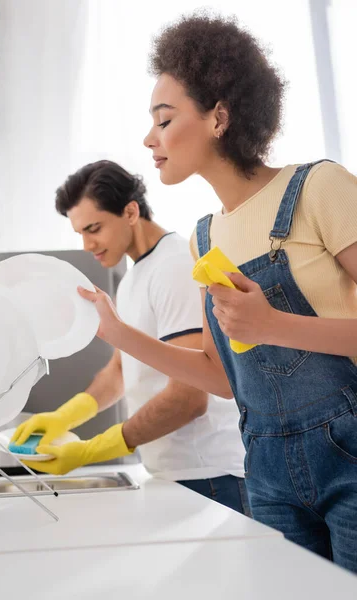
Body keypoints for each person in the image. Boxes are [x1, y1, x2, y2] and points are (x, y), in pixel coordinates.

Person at [76, 14, 357, 572]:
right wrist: (117, 333)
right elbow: (221, 376)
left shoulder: (319, 188)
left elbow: (264, 333)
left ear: (219, 117)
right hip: (268, 473)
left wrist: (273, 325)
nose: (148, 139)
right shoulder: (206, 236)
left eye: (164, 118)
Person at [13, 160, 248, 513]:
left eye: (94, 228)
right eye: (79, 232)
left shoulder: (173, 267)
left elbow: (190, 396)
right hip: (175, 472)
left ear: (131, 211)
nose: (87, 244)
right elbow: (121, 370)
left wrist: (96, 449)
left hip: (211, 474)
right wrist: (66, 415)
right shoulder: (133, 279)